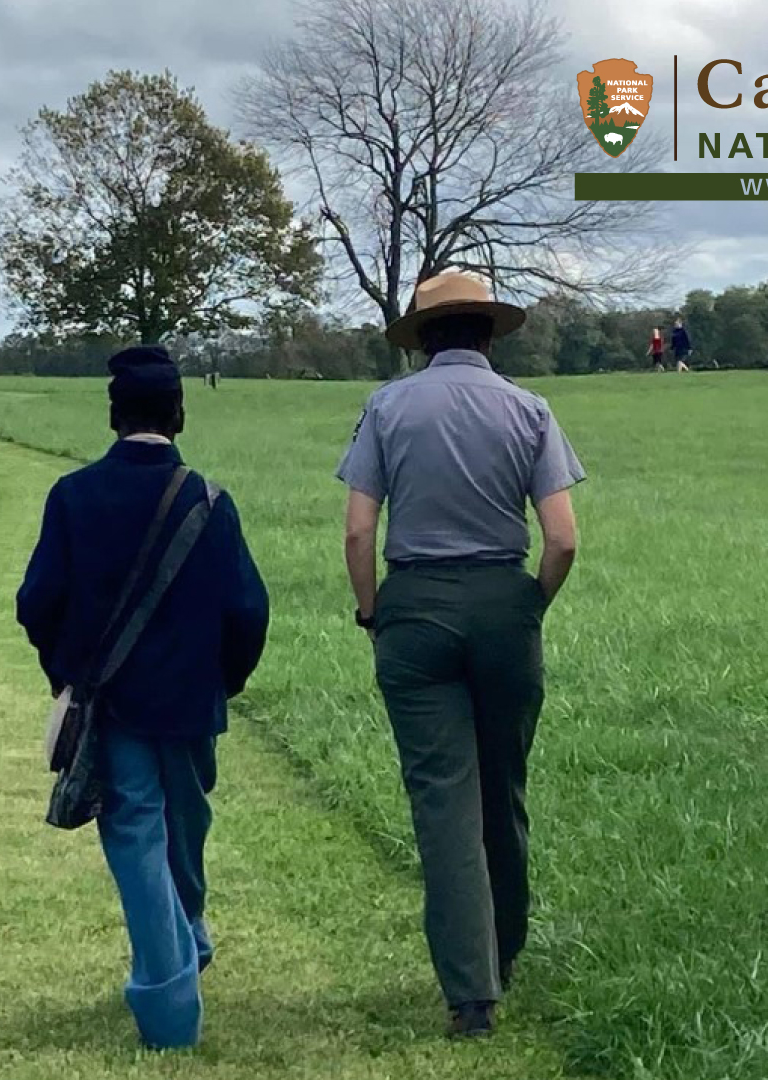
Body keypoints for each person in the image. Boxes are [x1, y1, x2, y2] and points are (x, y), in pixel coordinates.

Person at [335, 271, 585, 1039]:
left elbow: (356, 531)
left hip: (415, 607)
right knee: (502, 789)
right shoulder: (530, 409)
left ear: (424, 340)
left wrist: (374, 611)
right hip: (504, 604)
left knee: (444, 799)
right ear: (487, 334)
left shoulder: (385, 407)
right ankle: (505, 951)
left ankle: (470, 994)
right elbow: (564, 538)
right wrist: (526, 606)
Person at [16, 345, 270, 1051]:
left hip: (115, 704)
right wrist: (225, 680)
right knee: (186, 824)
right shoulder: (210, 501)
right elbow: (248, 611)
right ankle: (182, 954)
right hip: (192, 704)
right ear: (179, 413)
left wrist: (66, 674)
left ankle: (169, 1001)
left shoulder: (72, 495)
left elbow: (38, 601)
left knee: (136, 834)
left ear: (113, 414)